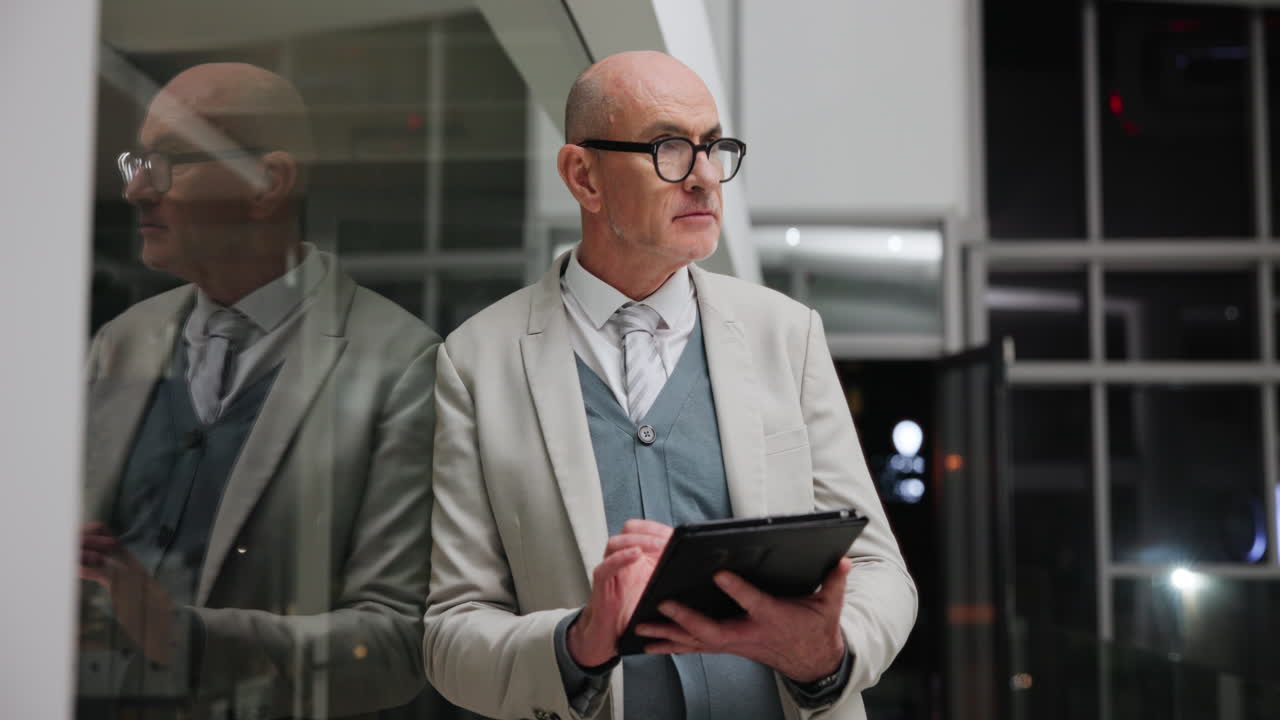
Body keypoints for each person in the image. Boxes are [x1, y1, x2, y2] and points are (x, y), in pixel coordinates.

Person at [423, 50, 917, 720]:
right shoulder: (477, 363)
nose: (707, 178)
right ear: (583, 176)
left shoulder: (786, 334)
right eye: (669, 147)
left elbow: (881, 571)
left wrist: (826, 654)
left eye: (713, 147)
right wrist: (575, 643)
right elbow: (452, 629)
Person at [78, 62, 440, 719]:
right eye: (137, 161)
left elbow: (395, 646)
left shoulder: (402, 365)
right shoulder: (119, 344)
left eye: (168, 161)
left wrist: (188, 640)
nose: (135, 190)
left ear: (268, 182)